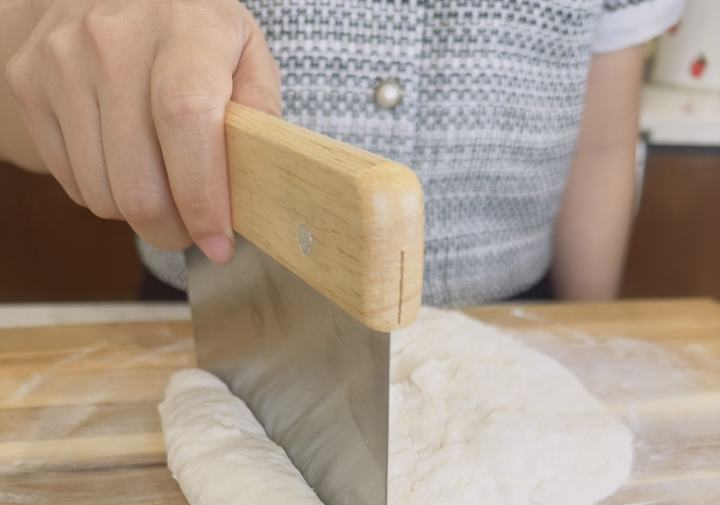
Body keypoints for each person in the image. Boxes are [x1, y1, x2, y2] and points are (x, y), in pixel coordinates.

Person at [1, 0, 684, 305]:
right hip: (207, 322)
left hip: (521, 321)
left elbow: (602, 148)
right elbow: (24, 93)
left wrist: (588, 338)